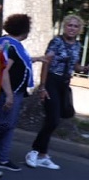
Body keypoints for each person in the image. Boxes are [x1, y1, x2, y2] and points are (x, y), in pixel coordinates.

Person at [26, 14, 88, 170]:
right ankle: (34, 151)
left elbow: (75, 66)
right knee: (53, 119)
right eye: (69, 25)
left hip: (65, 83)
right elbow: (46, 63)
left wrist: (84, 68)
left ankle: (43, 155)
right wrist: (43, 87)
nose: (72, 28)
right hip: (52, 81)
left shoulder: (77, 46)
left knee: (54, 119)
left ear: (79, 29)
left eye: (75, 26)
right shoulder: (56, 42)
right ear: (64, 26)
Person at [0, 14, 37, 172]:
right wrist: (10, 94)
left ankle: (3, 158)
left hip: (15, 91)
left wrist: (37, 59)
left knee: (9, 126)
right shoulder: (11, 46)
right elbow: (4, 69)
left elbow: (20, 62)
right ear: (24, 31)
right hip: (10, 92)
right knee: (4, 124)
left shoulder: (10, 43)